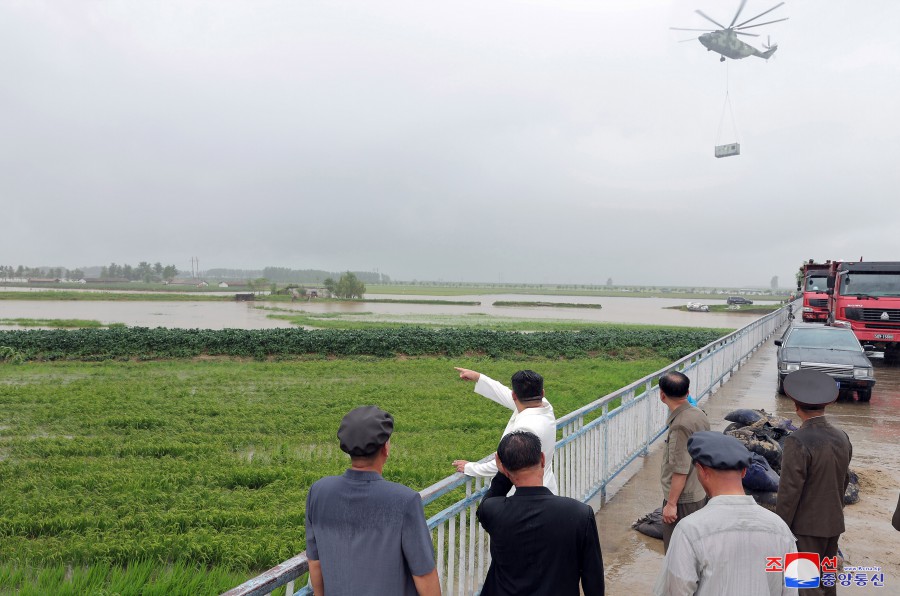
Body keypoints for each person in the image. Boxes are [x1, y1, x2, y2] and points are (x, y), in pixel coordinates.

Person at [305, 406, 440, 596]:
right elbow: (424, 574)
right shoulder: (405, 500)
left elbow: (315, 562)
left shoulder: (318, 491)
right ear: (385, 448)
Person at [654, 431, 798, 596]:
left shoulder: (690, 530)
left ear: (702, 471)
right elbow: (792, 589)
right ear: (744, 472)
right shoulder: (781, 529)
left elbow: (675, 591)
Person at [476, 430, 605, 595]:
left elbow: (485, 506)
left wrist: (502, 474)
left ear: (503, 467)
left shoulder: (493, 511)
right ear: (543, 459)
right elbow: (592, 577)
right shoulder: (580, 514)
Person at [776, 370, 852, 596]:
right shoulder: (842, 436)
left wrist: (781, 528)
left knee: (806, 587)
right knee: (828, 581)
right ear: (825, 406)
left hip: (805, 529)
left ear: (796, 406)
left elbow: (789, 491)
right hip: (833, 523)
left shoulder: (796, 440)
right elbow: (844, 480)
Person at [452, 368, 557, 494]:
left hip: (525, 494)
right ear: (542, 393)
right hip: (544, 487)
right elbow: (504, 393)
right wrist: (478, 377)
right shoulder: (545, 406)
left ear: (514, 395)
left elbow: (504, 462)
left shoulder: (525, 428)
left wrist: (471, 468)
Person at [658, 370, 710, 552]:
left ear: (662, 395)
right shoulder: (698, 414)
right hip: (698, 491)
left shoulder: (680, 425)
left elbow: (680, 469)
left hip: (683, 500)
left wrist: (671, 504)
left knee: (677, 554)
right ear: (687, 393)